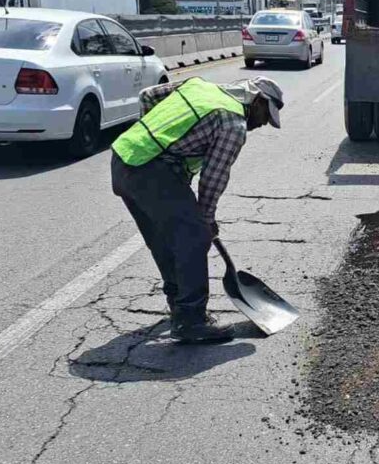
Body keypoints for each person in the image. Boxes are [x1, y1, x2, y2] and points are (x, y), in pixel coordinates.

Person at [110, 76, 284, 343]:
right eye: (265, 116)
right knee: (194, 237)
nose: (261, 124)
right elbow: (213, 178)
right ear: (257, 100)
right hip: (151, 174)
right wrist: (205, 219)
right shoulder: (233, 122)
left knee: (165, 241)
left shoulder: (199, 87)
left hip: (124, 160)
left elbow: (148, 96)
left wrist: (155, 141)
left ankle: (179, 306)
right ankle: (191, 321)